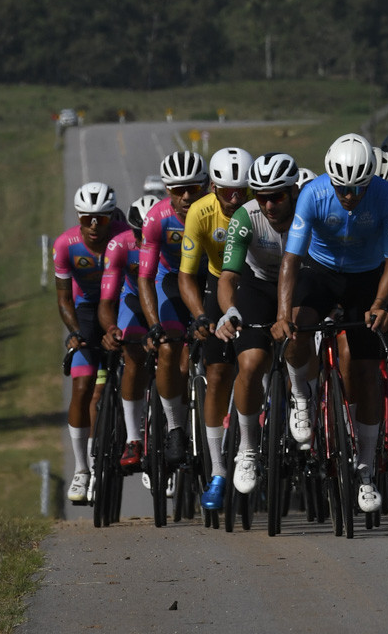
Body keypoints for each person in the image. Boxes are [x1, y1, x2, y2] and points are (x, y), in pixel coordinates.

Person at [272, 133, 388, 515]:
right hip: (320, 271)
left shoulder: (385, 195)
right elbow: (291, 261)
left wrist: (379, 304)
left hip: (366, 276)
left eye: (358, 187)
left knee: (365, 371)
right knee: (298, 325)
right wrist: (282, 316)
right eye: (343, 188)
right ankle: (302, 396)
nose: (350, 195)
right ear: (331, 179)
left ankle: (365, 473)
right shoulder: (313, 194)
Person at [215, 152, 301, 495]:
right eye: (261, 196)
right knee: (250, 364)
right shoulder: (245, 217)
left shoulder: (307, 210)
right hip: (259, 285)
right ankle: (247, 449)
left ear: (293, 191)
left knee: (301, 333)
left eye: (277, 196)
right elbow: (227, 277)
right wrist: (230, 311)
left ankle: (303, 400)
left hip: (302, 280)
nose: (268, 205)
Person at [177, 147, 252, 511]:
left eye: (242, 192)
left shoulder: (259, 208)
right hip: (215, 284)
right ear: (213, 187)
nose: (235, 199)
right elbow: (187, 275)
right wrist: (200, 316)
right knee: (218, 373)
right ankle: (219, 470)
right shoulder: (200, 212)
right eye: (226, 192)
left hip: (255, 283)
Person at [137, 151, 209, 469]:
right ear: (167, 190)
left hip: (210, 279)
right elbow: (145, 278)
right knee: (169, 348)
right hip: (171, 282)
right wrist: (154, 325)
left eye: (193, 188)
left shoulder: (218, 213)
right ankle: (176, 428)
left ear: (205, 186)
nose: (185, 196)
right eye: (177, 189)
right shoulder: (156, 219)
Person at [53, 181, 120, 504]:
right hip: (85, 311)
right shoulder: (66, 245)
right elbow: (64, 299)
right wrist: (77, 333)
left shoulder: (123, 238)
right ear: (79, 218)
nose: (94, 226)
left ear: (112, 218)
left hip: (124, 304)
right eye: (87, 219)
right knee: (82, 388)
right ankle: (82, 470)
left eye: (102, 219)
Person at [97, 194, 159, 471]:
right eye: (137, 234)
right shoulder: (119, 245)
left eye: (147, 234)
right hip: (133, 299)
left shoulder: (174, 236)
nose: (141, 240)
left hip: (165, 294)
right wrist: (111, 330)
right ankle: (133, 438)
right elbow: (107, 300)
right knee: (131, 351)